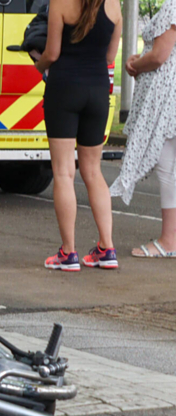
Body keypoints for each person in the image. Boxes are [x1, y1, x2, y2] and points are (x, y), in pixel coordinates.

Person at [36, 0, 122, 272]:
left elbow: (52, 52)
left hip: (64, 89)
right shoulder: (113, 5)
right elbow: (110, 57)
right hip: (97, 91)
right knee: (93, 171)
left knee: (63, 172)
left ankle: (68, 253)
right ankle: (106, 248)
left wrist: (39, 67)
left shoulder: (60, 2)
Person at [110, 0, 176, 257]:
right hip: (167, 92)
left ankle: (169, 240)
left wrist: (134, 65)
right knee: (169, 167)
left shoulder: (172, 6)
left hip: (165, 96)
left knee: (167, 167)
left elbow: (160, 56)